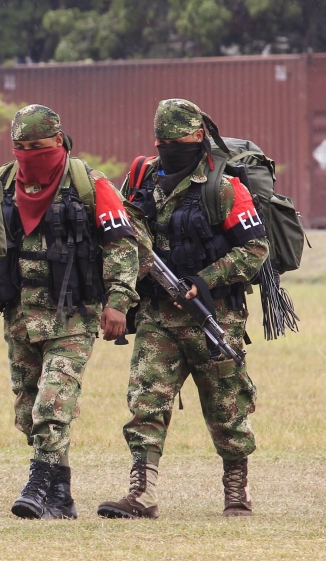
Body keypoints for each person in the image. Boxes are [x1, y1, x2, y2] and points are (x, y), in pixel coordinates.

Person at [98, 99, 267, 519]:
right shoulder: (141, 179)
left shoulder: (223, 187)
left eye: (177, 140)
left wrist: (203, 280)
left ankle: (236, 491)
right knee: (145, 403)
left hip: (215, 317)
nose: (168, 147)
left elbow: (256, 249)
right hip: (158, 315)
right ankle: (142, 493)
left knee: (226, 406)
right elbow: (122, 233)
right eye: (161, 141)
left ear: (198, 138)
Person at [0, 105, 139, 520]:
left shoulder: (89, 184)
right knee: (28, 408)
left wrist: (118, 303)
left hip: (73, 315)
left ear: (58, 141)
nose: (28, 155)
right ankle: (62, 496)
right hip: (21, 316)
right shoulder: (0, 183)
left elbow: (122, 247)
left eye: (37, 147)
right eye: (20, 147)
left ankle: (36, 486)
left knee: (52, 403)